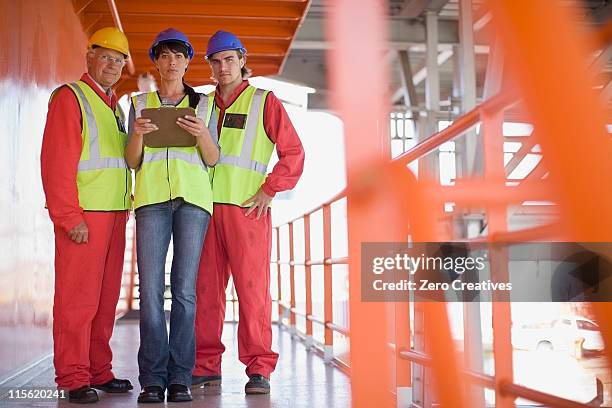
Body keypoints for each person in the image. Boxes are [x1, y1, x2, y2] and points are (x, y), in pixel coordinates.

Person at [192, 30, 305, 395]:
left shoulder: (264, 101)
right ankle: (205, 365)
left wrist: (269, 189)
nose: (222, 67)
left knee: (252, 292)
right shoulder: (201, 105)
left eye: (229, 59)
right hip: (204, 212)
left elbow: (294, 153)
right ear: (209, 67)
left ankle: (259, 369)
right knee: (205, 292)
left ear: (242, 60)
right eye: (215, 61)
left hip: (247, 211)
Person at [124, 28, 219, 404]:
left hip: (193, 202)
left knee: (184, 292)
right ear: (156, 61)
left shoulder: (205, 105)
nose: (172, 62)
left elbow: (212, 158)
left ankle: (180, 377)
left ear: (187, 61)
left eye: (179, 55)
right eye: (164, 55)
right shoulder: (139, 102)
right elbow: (132, 160)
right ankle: (151, 378)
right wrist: (136, 134)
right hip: (151, 201)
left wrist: (200, 134)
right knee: (150, 290)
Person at [40, 27, 134, 403]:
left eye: (118, 59)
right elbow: (56, 162)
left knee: (105, 299)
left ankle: (98, 369)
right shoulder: (70, 97)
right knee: (77, 301)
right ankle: (74, 376)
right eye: (106, 56)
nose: (112, 64)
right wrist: (68, 217)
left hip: (114, 216)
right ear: (89, 57)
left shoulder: (115, 107)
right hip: (84, 218)